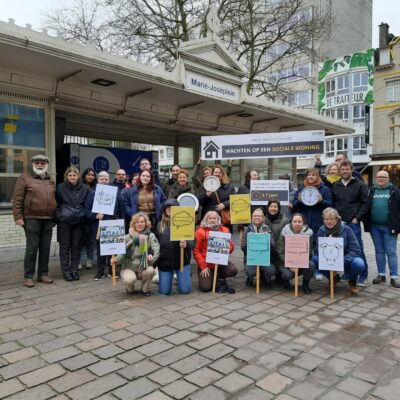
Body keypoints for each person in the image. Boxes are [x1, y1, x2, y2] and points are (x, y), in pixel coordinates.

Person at [12, 154, 57, 287]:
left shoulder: (50, 179)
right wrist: (18, 217)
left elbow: (54, 198)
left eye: (42, 163)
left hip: (48, 219)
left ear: (46, 165)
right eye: (37, 163)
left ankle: (43, 274)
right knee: (32, 248)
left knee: (45, 248)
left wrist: (55, 215)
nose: (40, 165)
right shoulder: (24, 178)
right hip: (31, 218)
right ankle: (28, 276)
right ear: (33, 164)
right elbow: (17, 199)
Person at [332, 160, 369, 286]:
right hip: (340, 223)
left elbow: (365, 204)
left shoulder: (359, 184)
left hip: (353, 222)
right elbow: (334, 203)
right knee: (343, 249)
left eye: (347, 169)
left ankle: (363, 275)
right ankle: (347, 273)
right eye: (342, 169)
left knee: (358, 249)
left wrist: (357, 218)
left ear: (351, 169)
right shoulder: (336, 185)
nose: (345, 171)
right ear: (340, 171)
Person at [313, 207, 365, 295]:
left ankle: (352, 281)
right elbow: (317, 251)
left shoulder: (346, 229)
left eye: (332, 219)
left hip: (346, 261)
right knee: (314, 259)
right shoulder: (321, 230)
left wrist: (340, 261)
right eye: (327, 219)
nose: (329, 221)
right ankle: (333, 278)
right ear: (323, 220)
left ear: (337, 219)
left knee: (359, 263)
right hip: (329, 260)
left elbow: (356, 250)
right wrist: (324, 245)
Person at [84, 171, 124, 280]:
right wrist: (95, 215)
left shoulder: (115, 192)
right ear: (98, 180)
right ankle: (100, 271)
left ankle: (112, 271)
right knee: (100, 249)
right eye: (102, 179)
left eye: (106, 179)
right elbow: (86, 210)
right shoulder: (92, 193)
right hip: (98, 225)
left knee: (112, 249)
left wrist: (121, 222)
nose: (104, 181)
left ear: (109, 180)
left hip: (113, 224)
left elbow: (121, 208)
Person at [363, 170, 400, 288]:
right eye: (379, 177)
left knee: (391, 252)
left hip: (389, 227)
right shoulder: (371, 190)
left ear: (388, 178)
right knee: (379, 251)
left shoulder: (395, 191)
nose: (381, 179)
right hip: (375, 227)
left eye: (383, 177)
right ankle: (381, 274)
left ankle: (394, 277)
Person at [56, 167, 90, 281]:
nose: (72, 177)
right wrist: (59, 216)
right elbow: (56, 202)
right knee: (65, 248)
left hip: (79, 222)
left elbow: (88, 203)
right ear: (67, 176)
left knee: (76, 247)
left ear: (78, 176)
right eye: (70, 175)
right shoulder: (61, 187)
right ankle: (66, 271)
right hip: (64, 221)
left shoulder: (85, 188)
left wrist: (84, 215)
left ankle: (74, 270)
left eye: (74, 175)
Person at [193, 211, 238, 293]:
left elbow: (231, 247)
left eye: (214, 218)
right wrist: (203, 266)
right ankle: (212, 277)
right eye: (210, 218)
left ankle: (219, 277)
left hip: (220, 262)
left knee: (233, 270)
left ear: (218, 219)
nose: (212, 220)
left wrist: (225, 248)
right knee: (205, 287)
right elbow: (196, 251)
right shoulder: (200, 232)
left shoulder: (225, 230)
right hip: (206, 264)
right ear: (206, 219)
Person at [117, 212, 159, 296]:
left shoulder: (151, 236)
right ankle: (130, 288)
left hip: (143, 267)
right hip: (129, 267)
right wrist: (115, 260)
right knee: (130, 279)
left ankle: (145, 289)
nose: (139, 224)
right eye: (137, 222)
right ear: (133, 224)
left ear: (146, 223)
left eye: (142, 222)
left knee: (151, 270)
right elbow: (120, 253)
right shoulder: (126, 237)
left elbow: (157, 250)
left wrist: (150, 258)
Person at [156, 199, 193, 295]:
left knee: (185, 290)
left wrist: (187, 244)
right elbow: (154, 243)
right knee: (164, 291)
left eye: (173, 207)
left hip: (182, 261)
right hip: (165, 263)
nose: (170, 209)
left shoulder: (186, 222)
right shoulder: (159, 225)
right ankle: (164, 277)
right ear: (164, 210)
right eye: (167, 207)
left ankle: (180, 277)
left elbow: (193, 243)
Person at [277, 213, 315, 294]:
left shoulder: (309, 233)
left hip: (302, 261)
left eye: (299, 221)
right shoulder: (285, 232)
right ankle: (285, 281)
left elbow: (310, 251)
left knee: (311, 265)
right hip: (286, 262)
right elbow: (280, 251)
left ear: (303, 223)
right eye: (295, 221)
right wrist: (290, 263)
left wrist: (300, 262)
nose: (297, 224)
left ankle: (305, 284)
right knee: (287, 275)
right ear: (291, 222)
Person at [292, 168, 333, 239]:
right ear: (306, 176)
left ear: (317, 176)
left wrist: (321, 201)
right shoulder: (301, 188)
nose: (311, 176)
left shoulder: (324, 189)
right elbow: (294, 205)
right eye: (309, 175)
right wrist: (299, 201)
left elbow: (330, 204)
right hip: (305, 221)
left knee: (317, 242)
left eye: (313, 175)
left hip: (319, 221)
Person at [241, 208, 277, 287]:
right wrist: (250, 241)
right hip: (251, 258)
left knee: (272, 271)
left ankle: (265, 276)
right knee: (251, 272)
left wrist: (268, 240)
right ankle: (250, 277)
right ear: (252, 218)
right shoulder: (247, 230)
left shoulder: (267, 229)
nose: (257, 217)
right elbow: (243, 248)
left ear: (263, 218)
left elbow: (273, 248)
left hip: (264, 258)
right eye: (255, 216)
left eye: (259, 216)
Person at [198, 165, 236, 230]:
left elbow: (234, 200)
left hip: (223, 220)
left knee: (223, 238)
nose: (217, 174)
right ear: (212, 174)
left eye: (219, 172)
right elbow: (199, 201)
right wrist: (206, 195)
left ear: (222, 174)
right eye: (215, 172)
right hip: (209, 220)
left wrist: (224, 204)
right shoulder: (205, 186)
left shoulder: (229, 187)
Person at [265, 199, 290, 273]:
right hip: (266, 252)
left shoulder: (285, 220)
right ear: (267, 207)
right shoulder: (262, 219)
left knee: (284, 275)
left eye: (275, 207)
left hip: (279, 253)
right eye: (271, 206)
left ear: (279, 208)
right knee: (268, 272)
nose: (273, 208)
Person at [80, 168, 97, 269]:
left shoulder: (97, 188)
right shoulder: (79, 186)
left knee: (91, 240)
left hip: (92, 217)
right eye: (88, 174)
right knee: (79, 241)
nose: (90, 176)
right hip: (81, 217)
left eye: (92, 175)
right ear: (84, 176)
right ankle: (78, 261)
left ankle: (90, 260)